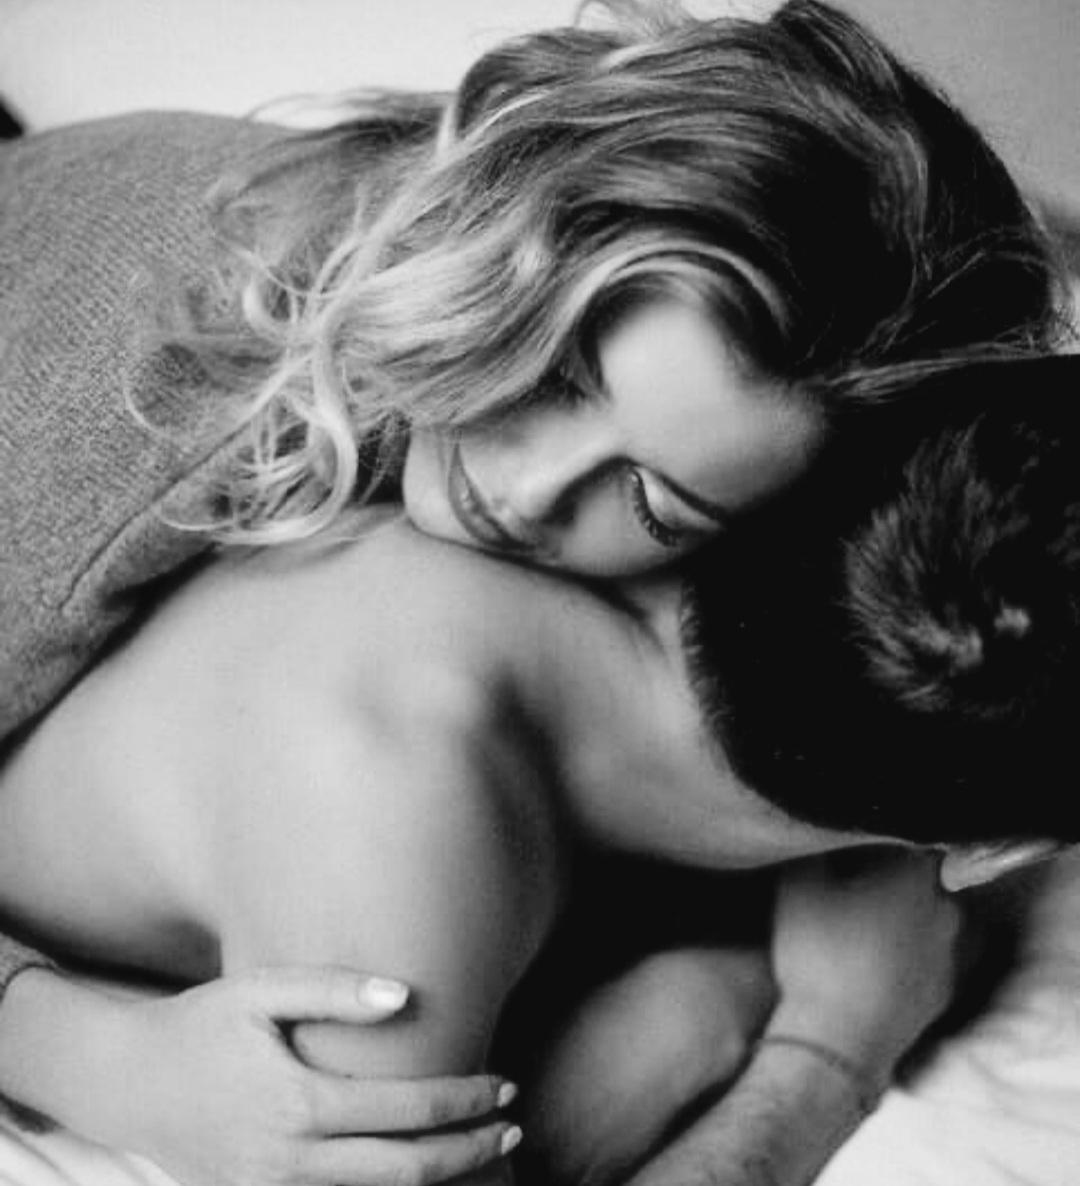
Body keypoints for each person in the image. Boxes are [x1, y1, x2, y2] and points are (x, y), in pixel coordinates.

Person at [0, 0, 1067, 1179]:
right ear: (519, 207)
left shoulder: (784, 476)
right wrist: (85, 1054)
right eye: (559, 365)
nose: (517, 488)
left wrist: (695, 1007)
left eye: (658, 501)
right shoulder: (148, 426)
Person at [0, 355, 1076, 1186]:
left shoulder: (641, 503)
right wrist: (830, 1051)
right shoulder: (391, 837)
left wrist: (697, 1005)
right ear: (1000, 852)